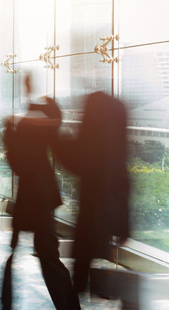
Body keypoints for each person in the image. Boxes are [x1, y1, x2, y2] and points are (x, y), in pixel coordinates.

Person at [0, 80, 83, 310]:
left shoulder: (33, 115)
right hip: (39, 193)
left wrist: (15, 130)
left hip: (34, 194)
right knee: (37, 256)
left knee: (33, 256)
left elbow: (19, 158)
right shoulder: (33, 117)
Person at [55, 91, 130, 297]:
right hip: (107, 210)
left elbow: (74, 161)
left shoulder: (91, 148)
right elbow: (123, 183)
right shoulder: (116, 149)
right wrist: (124, 227)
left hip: (91, 210)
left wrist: (59, 137)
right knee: (85, 261)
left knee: (81, 263)